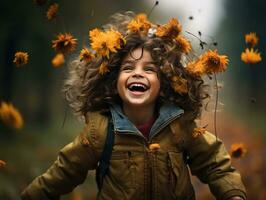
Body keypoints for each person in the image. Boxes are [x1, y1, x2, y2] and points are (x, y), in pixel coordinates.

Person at [21, 12, 247, 200]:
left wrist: (233, 194)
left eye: (149, 70)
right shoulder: (101, 130)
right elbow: (64, 172)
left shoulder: (180, 126)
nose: (138, 73)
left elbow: (214, 163)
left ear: (164, 82)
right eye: (128, 68)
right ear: (113, 80)